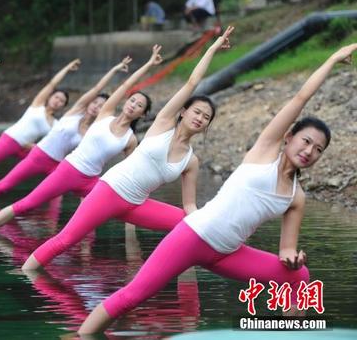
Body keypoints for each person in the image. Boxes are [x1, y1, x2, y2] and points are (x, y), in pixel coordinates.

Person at [78, 43, 356, 334]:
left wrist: (293, 258)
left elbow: (286, 250)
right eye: (306, 141)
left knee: (300, 275)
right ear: (288, 137)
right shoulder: (265, 152)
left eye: (318, 149)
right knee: (131, 297)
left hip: (228, 253)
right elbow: (301, 97)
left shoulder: (296, 197)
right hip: (193, 236)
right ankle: (81, 334)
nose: (310, 150)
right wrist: (333, 58)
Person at [21, 27, 234, 272]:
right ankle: (26, 274)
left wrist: (209, 223)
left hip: (137, 204)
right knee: (66, 240)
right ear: (184, 111)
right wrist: (213, 47)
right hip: (110, 190)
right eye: (197, 111)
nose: (200, 118)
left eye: (206, 117)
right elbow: (193, 82)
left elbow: (189, 207)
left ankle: (185, 296)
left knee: (186, 224)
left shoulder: (191, 161)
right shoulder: (163, 123)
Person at [0, 46, 164, 234]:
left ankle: (114, 244)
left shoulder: (130, 140)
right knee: (27, 204)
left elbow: (132, 169)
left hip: (91, 180)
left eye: (139, 105)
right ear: (125, 101)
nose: (133, 105)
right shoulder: (105, 114)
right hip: (69, 169)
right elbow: (124, 87)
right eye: (133, 100)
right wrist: (148, 64)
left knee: (102, 212)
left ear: (143, 113)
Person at [0, 57, 132, 208]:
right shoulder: (75, 111)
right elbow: (97, 87)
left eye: (100, 106)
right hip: (39, 155)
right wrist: (115, 69)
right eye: (95, 102)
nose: (96, 106)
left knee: (56, 200)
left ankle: (58, 227)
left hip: (58, 165)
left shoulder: (94, 129)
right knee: (5, 185)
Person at [0, 60, 80, 192]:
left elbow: (50, 143)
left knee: (54, 169)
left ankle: (52, 202)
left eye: (62, 101)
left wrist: (35, 146)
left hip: (26, 148)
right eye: (56, 97)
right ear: (50, 97)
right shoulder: (37, 106)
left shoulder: (56, 123)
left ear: (64, 106)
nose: (58, 101)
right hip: (10, 139)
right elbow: (52, 84)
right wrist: (67, 69)